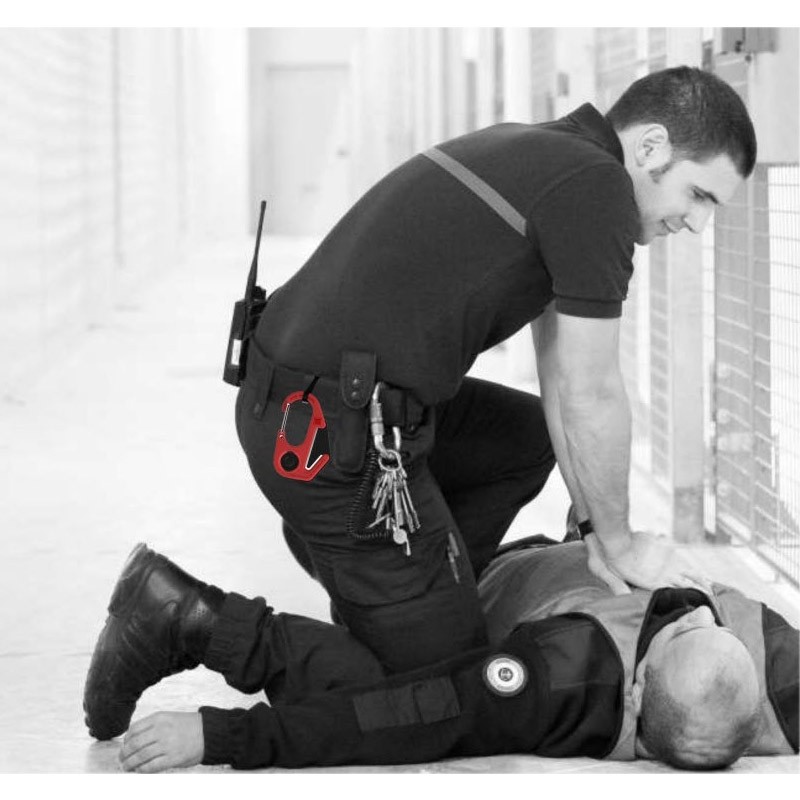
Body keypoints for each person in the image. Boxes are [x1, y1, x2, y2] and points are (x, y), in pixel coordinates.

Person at [232, 66, 756, 675]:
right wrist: (623, 543)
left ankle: (404, 590)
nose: (697, 224)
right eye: (699, 195)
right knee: (444, 684)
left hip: (302, 407)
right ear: (651, 147)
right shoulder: (598, 189)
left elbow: (561, 380)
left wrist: (595, 529)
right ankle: (194, 618)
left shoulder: (550, 156)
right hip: (328, 442)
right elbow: (592, 391)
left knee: (523, 439)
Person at [82, 538, 797, 772]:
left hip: (556, 563)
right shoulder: (561, 676)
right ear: (632, 695)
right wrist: (219, 736)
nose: (696, 610)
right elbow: (408, 713)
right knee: (382, 686)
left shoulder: (780, 667)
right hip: (491, 580)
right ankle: (194, 619)